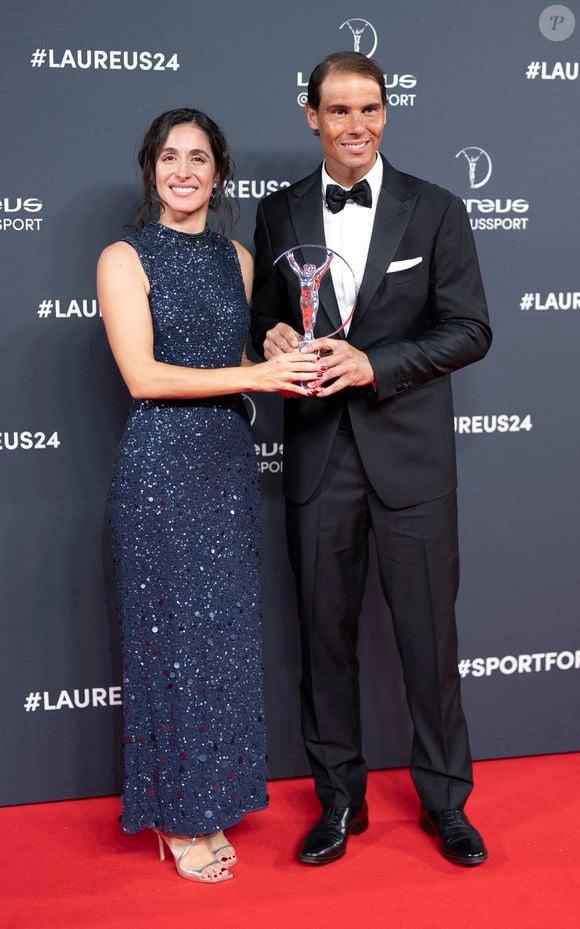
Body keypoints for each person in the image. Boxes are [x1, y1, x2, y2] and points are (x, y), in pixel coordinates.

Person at [250, 52, 492, 867]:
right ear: (311, 116)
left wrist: (376, 364)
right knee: (324, 639)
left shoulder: (438, 209)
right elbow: (267, 323)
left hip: (412, 460)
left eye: (372, 109)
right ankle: (338, 800)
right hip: (318, 455)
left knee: (430, 639)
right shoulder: (280, 212)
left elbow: (470, 329)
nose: (359, 125)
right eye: (340, 110)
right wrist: (274, 337)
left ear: (387, 113)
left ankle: (446, 803)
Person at [97, 108, 317, 884]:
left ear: (219, 171)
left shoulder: (236, 256)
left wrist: (275, 346)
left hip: (224, 465)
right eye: (168, 156)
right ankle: (175, 815)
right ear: (150, 168)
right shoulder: (124, 256)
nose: (183, 170)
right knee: (172, 646)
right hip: (162, 465)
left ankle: (211, 798)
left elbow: (241, 349)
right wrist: (257, 376)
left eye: (198, 157)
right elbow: (144, 375)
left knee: (218, 646)